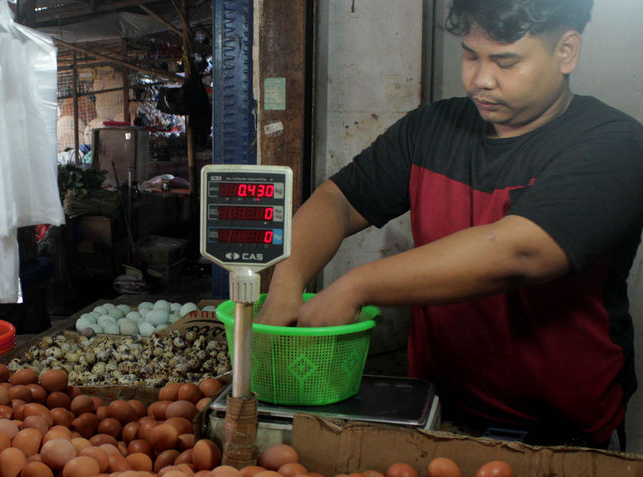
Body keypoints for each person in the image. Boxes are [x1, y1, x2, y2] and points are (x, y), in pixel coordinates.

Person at [258, 0, 643, 449]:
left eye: (505, 61)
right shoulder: (432, 129)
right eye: (470, 54)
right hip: (438, 411)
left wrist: (353, 286)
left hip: (564, 431)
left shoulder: (615, 147)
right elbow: (338, 201)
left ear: (566, 51)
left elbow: (519, 251)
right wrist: (287, 279)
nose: (480, 79)